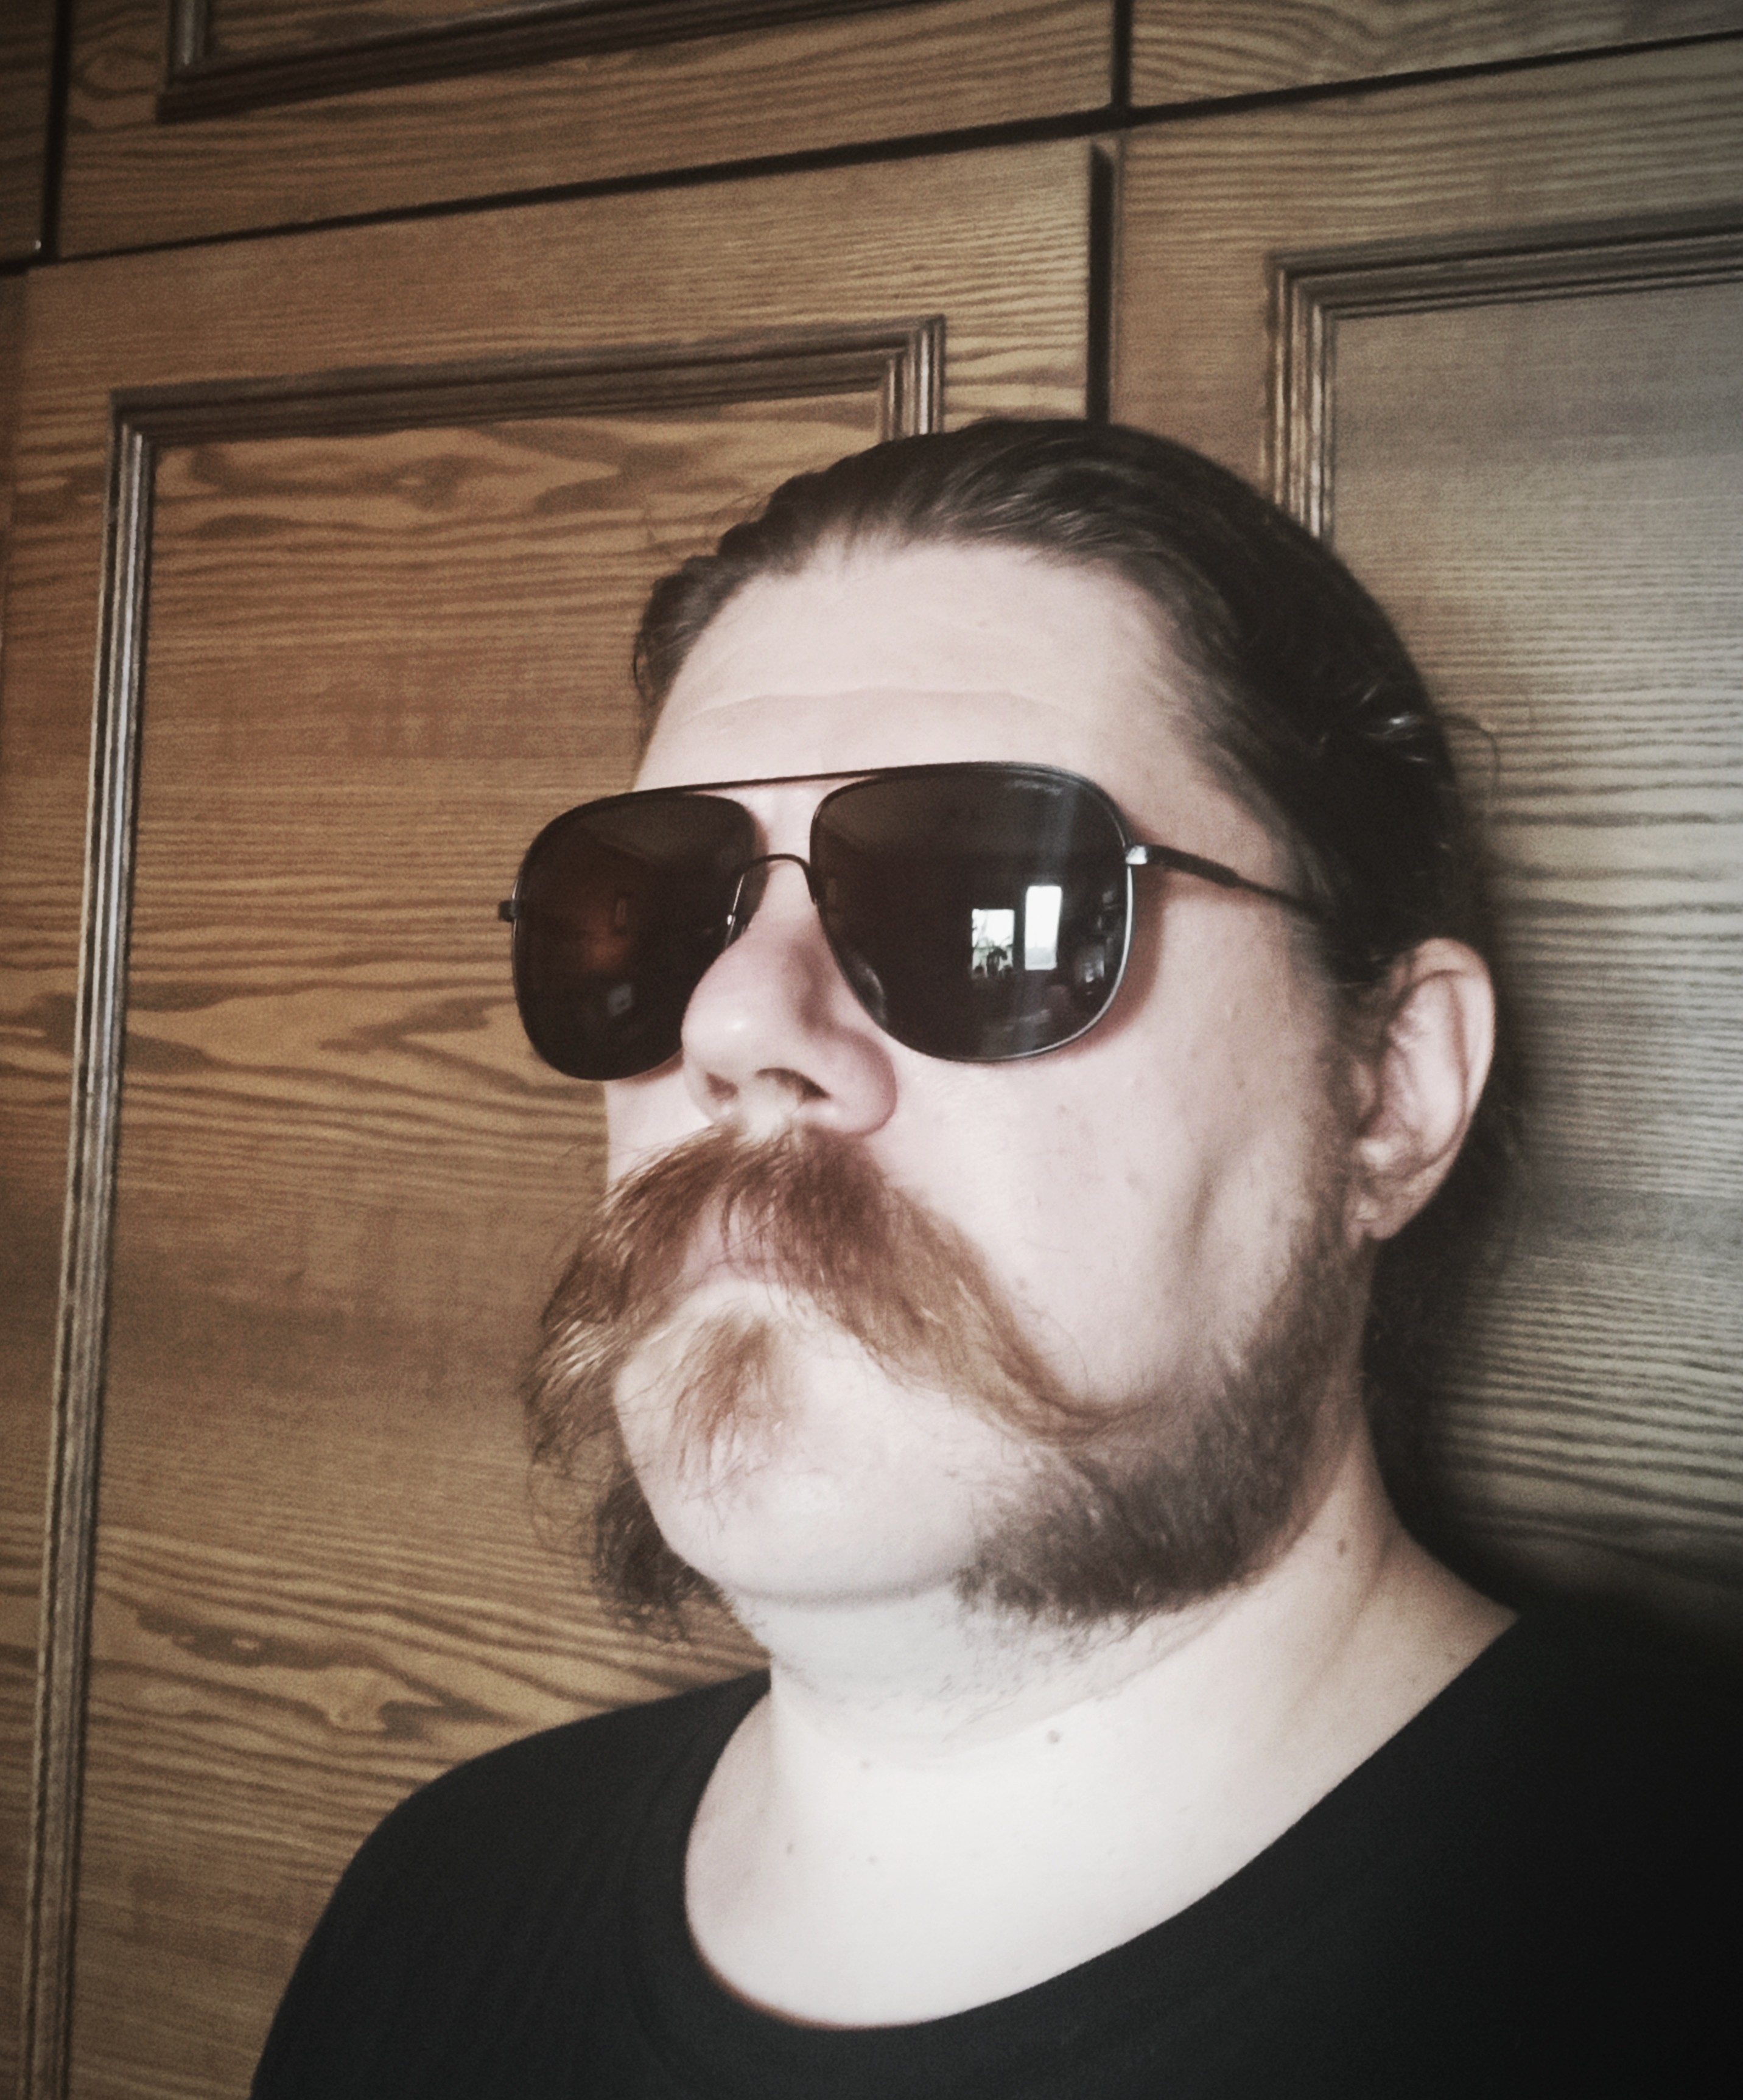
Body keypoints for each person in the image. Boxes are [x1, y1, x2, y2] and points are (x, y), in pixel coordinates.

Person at [253, 421, 1736, 2098]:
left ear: (1387, 1091)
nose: (730, 1025)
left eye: (987, 903)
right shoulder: (439, 1904)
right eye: (660, 919)